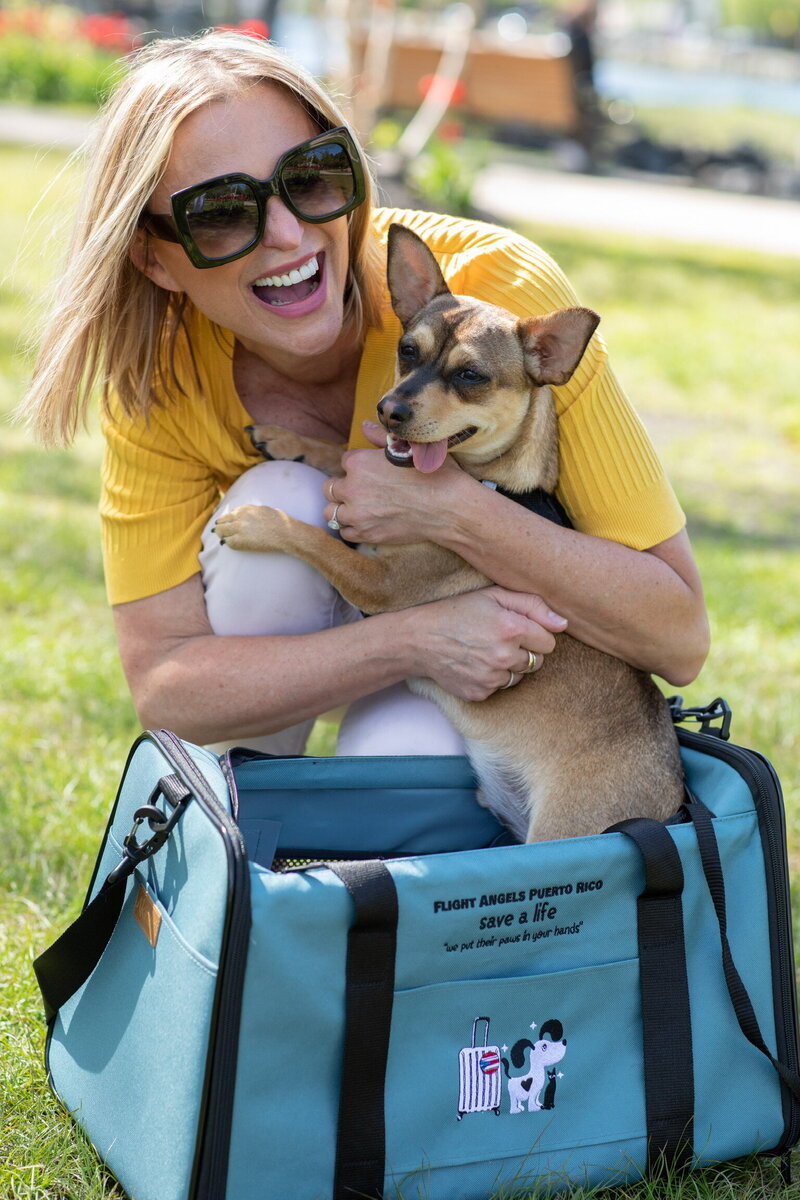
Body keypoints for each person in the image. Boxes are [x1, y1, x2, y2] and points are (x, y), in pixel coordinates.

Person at [19, 30, 709, 759]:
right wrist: (413, 639)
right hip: (391, 618)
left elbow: (678, 639)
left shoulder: (497, 302)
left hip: (491, 684)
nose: (286, 234)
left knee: (409, 749)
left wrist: (455, 512)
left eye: (311, 177)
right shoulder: (158, 381)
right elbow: (166, 687)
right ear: (153, 259)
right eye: (220, 213)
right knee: (281, 498)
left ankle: (395, 869)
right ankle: (247, 852)